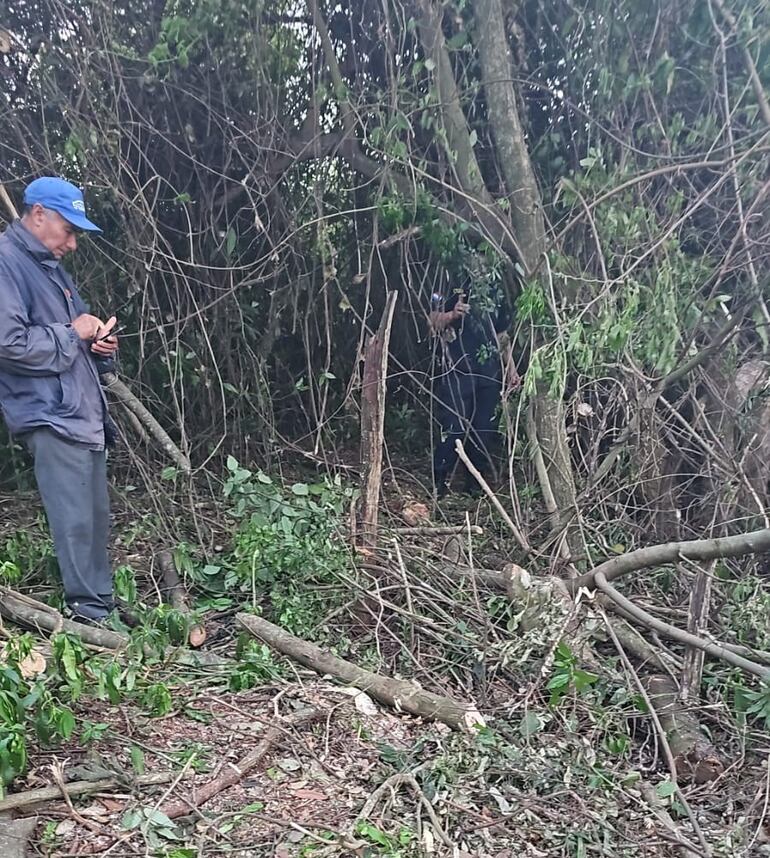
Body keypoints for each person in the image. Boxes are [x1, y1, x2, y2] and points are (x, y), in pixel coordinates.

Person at [0, 176, 122, 625]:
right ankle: (90, 617)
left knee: (94, 517)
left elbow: (78, 340)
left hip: (81, 411)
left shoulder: (51, 268)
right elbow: (9, 344)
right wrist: (75, 333)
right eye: (68, 230)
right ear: (37, 215)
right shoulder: (6, 263)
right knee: (74, 521)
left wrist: (101, 345)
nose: (72, 242)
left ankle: (101, 604)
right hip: (51, 414)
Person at [428, 275, 519, 496]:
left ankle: (474, 486)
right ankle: (438, 483)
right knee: (454, 428)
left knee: (483, 431)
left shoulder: (496, 292)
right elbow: (431, 321)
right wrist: (451, 314)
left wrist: (511, 370)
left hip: (488, 374)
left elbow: (502, 336)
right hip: (458, 370)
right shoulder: (453, 286)